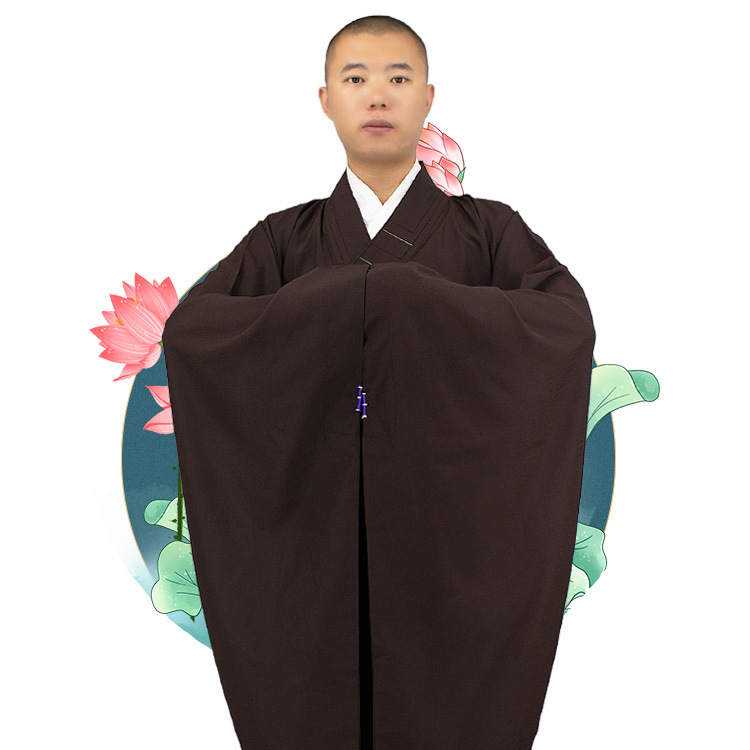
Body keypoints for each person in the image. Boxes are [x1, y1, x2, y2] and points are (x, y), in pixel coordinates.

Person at [161, 15, 596, 750]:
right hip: (310, 533)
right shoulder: (284, 237)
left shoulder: (491, 232)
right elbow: (195, 333)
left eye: (398, 77)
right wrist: (343, 302)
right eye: (355, 78)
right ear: (325, 100)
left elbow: (563, 327)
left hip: (453, 530)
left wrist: (410, 300)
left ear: (428, 98)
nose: (377, 95)